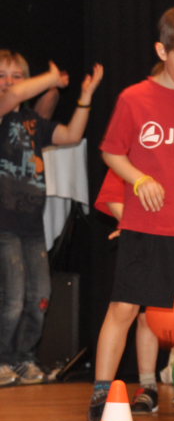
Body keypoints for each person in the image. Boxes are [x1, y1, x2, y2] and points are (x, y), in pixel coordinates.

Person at [87, 3, 174, 421]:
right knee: (124, 309)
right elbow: (111, 152)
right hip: (146, 229)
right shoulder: (135, 99)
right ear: (162, 51)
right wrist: (139, 177)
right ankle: (101, 396)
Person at [0, 51, 103, 386]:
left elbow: (71, 136)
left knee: (39, 296)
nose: (9, 82)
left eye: (16, 75)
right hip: (4, 225)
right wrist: (52, 78)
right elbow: (13, 96)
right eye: (1, 75)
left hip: (31, 226)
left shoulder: (31, 121)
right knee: (12, 297)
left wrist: (85, 97)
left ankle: (24, 359)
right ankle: (2, 359)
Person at [94, 169, 166, 413]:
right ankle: (116, 392)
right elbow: (112, 194)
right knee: (136, 309)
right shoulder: (135, 151)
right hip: (143, 237)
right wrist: (132, 225)